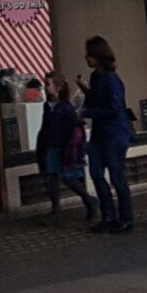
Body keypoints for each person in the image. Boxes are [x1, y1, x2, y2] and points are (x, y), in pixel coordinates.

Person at [79, 35, 135, 234]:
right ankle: (108, 216)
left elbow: (114, 109)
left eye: (89, 54)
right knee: (96, 172)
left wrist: (87, 112)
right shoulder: (96, 77)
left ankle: (125, 218)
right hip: (100, 133)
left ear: (97, 56)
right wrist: (86, 93)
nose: (86, 58)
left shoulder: (112, 79)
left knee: (117, 176)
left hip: (114, 133)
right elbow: (96, 100)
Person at [33, 78, 95, 221]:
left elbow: (71, 131)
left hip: (62, 147)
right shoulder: (48, 106)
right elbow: (45, 127)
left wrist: (70, 150)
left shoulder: (65, 108)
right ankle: (56, 208)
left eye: (48, 84)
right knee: (52, 177)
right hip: (51, 145)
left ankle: (89, 200)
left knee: (68, 178)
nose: (46, 87)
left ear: (58, 88)